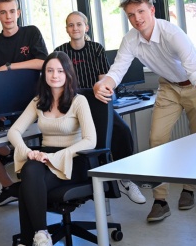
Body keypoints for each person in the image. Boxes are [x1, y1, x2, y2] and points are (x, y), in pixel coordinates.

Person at [93, 0, 196, 222]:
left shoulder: (172, 33)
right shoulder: (131, 39)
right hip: (169, 87)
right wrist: (101, 85)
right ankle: (160, 200)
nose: (137, 18)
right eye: (131, 15)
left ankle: (189, 190)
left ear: (151, 10)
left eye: (141, 11)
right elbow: (117, 72)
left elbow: (195, 74)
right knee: (156, 140)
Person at [55, 11, 146, 204]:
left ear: (86, 27)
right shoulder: (60, 52)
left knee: (122, 131)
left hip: (97, 103)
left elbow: (104, 80)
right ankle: (82, 185)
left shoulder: (96, 48)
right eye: (71, 25)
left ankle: (126, 179)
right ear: (66, 29)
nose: (75, 28)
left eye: (79, 24)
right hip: (71, 107)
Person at [7, 51, 96, 246]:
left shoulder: (78, 101)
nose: (54, 75)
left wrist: (56, 156)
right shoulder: (38, 101)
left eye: (60, 71)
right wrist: (27, 151)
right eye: (50, 70)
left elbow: (91, 140)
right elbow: (13, 131)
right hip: (46, 157)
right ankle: (41, 234)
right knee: (30, 168)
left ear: (68, 74)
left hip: (72, 159)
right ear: (44, 74)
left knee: (26, 186)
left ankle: (27, 241)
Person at [0, 0, 49, 207]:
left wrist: (10, 67)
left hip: (34, 104)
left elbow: (43, 62)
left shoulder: (31, 33)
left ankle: (10, 152)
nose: (8, 16)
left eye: (12, 11)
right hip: (6, 107)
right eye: (3, 12)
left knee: (21, 143)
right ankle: (9, 186)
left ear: (19, 12)